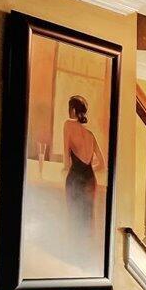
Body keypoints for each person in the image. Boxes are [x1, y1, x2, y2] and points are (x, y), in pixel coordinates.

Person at [62, 93, 103, 244]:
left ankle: (74, 252)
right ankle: (84, 254)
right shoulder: (90, 135)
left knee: (74, 217)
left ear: (72, 110)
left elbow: (67, 161)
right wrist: (88, 168)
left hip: (75, 178)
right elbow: (102, 164)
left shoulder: (68, 125)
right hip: (90, 179)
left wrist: (68, 169)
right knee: (87, 218)